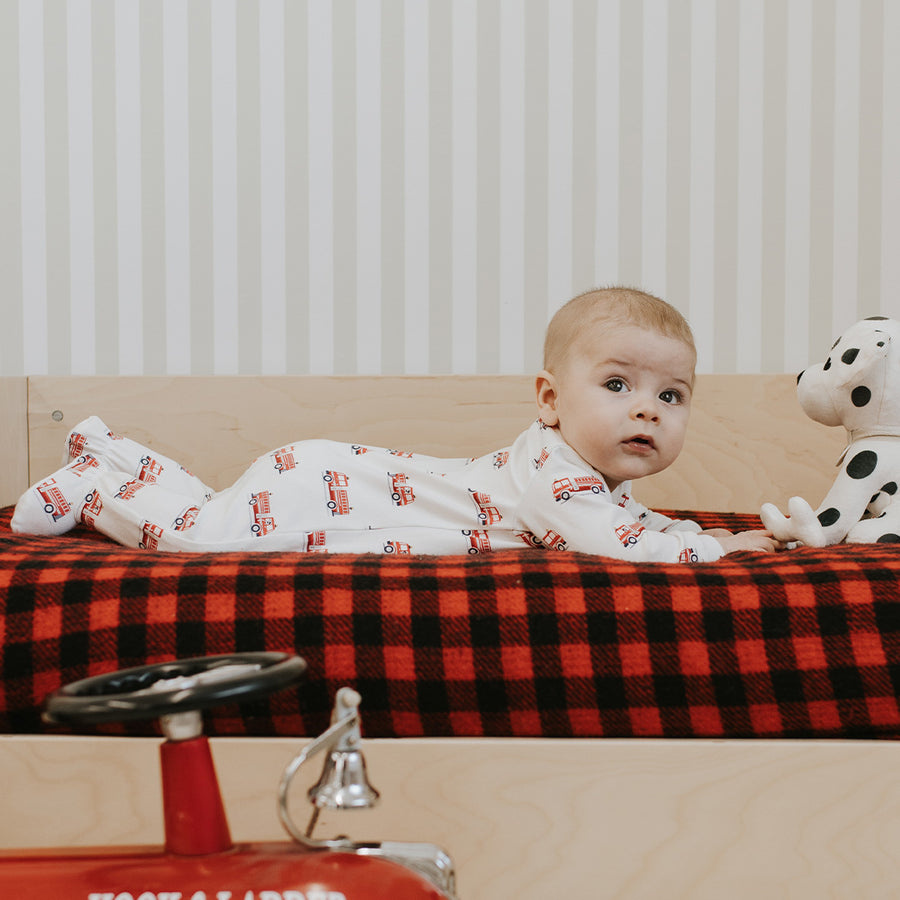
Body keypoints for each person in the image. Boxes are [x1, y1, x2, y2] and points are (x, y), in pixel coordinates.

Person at [12, 287, 779, 561]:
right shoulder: (555, 476)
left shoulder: (588, 486)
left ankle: (118, 463)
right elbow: (619, 545)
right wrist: (712, 553)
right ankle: (96, 484)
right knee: (205, 539)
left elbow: (635, 526)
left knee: (210, 516)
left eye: (671, 396)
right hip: (324, 488)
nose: (648, 408)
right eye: (618, 384)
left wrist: (704, 536)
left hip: (326, 478)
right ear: (549, 400)